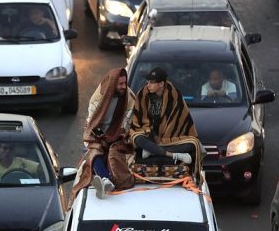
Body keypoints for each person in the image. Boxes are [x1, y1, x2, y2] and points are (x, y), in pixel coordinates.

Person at [70, 68, 136, 203]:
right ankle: (105, 179)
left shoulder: (129, 98)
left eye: (125, 83)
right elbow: (91, 123)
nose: (124, 86)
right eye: (120, 84)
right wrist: (100, 137)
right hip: (99, 136)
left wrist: (116, 136)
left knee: (114, 153)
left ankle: (111, 179)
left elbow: (128, 123)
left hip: (120, 136)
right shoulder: (98, 97)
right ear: (112, 84)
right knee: (94, 152)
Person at [130, 67, 202, 168]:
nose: (148, 85)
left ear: (161, 84)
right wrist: (153, 135)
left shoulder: (174, 95)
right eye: (147, 82)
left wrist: (159, 141)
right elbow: (140, 120)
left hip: (169, 138)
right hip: (149, 136)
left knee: (192, 144)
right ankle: (171, 154)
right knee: (138, 138)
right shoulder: (142, 94)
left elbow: (179, 119)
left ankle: (152, 150)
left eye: (152, 82)